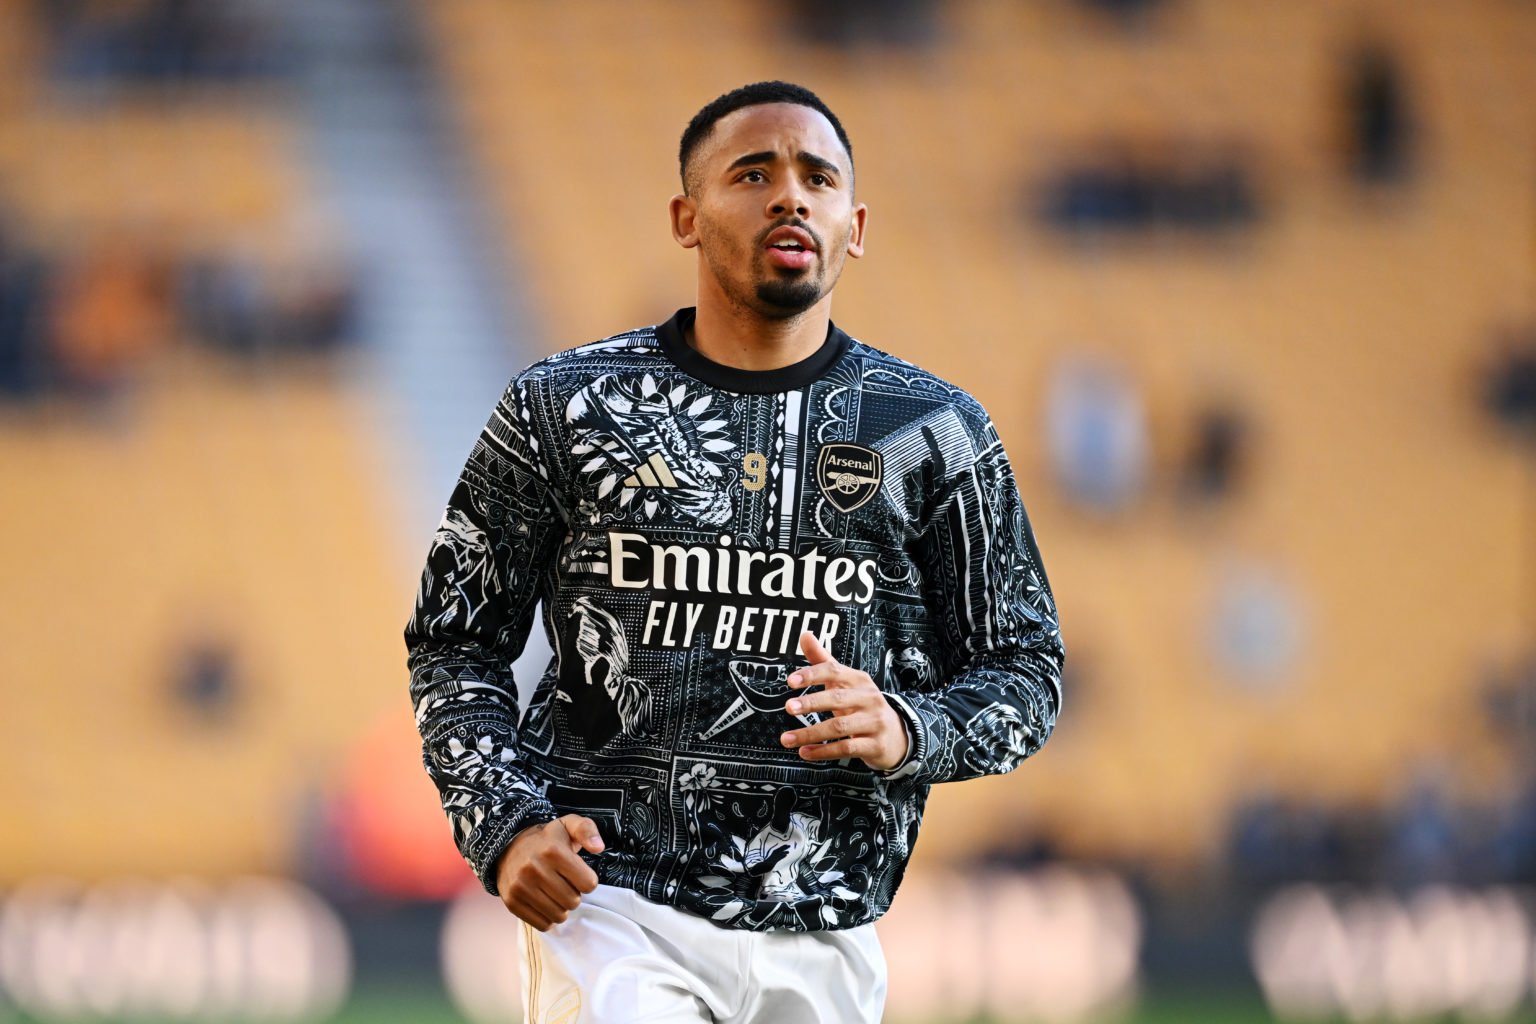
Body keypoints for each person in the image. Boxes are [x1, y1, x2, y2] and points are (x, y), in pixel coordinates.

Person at [405, 80, 1064, 1023]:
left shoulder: (936, 433)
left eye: (818, 178)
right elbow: (453, 641)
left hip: (828, 922)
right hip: (615, 906)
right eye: (753, 173)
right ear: (687, 216)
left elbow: (1027, 671)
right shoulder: (563, 407)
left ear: (856, 224)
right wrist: (504, 825)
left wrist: (910, 729)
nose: (790, 196)